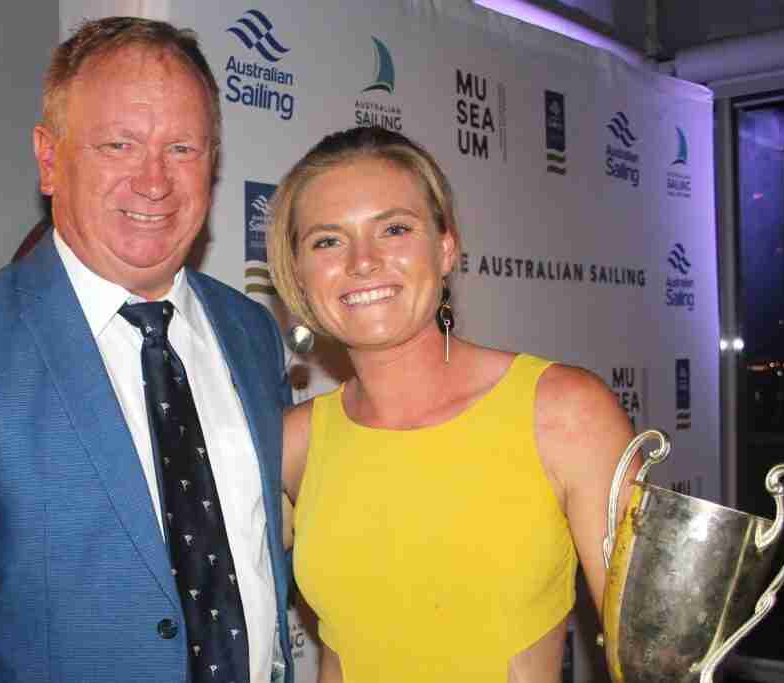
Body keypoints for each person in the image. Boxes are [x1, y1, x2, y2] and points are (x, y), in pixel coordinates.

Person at [0, 17, 293, 683]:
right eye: (119, 144)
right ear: (49, 157)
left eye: (182, 148)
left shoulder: (251, 332)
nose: (154, 181)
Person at [267, 126, 640, 682]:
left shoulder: (562, 412)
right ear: (298, 272)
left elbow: (653, 657)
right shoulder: (294, 440)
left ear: (445, 248)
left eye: (394, 229)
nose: (362, 261)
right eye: (327, 241)